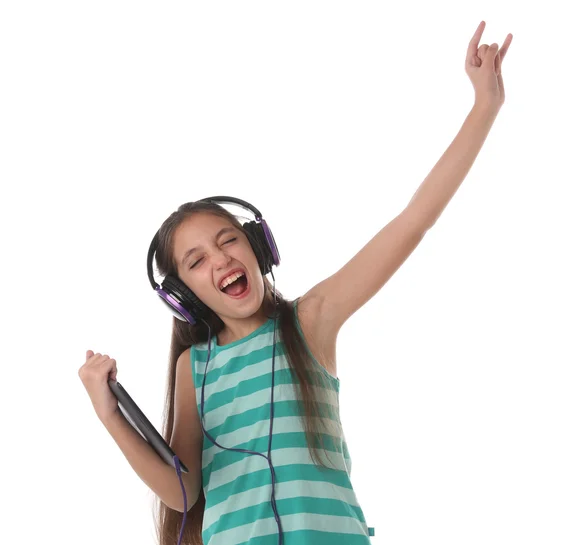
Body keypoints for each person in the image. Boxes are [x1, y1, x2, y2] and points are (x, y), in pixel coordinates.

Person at [78, 20, 512, 545]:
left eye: (228, 240)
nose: (220, 259)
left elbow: (413, 220)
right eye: (195, 260)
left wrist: (483, 106)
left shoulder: (311, 320)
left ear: (258, 247)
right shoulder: (195, 368)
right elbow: (183, 493)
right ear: (183, 295)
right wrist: (110, 414)